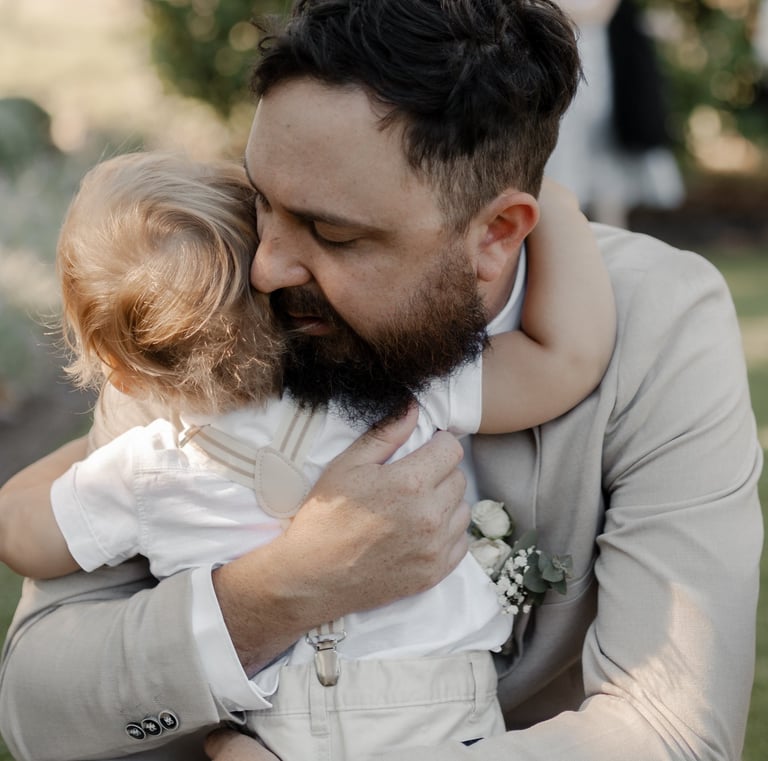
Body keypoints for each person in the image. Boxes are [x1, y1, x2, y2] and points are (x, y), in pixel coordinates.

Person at [0, 1, 762, 760]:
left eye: (333, 233)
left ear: (498, 235)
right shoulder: (208, 310)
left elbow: (669, 731)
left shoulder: (658, 322)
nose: (267, 265)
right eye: (261, 198)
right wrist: (274, 593)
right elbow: (37, 708)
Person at [0, 146, 612, 761]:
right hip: (439, 701)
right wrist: (556, 206)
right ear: (273, 274)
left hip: (281, 725)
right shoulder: (390, 384)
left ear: (121, 374)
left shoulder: (142, 472)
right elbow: (565, 361)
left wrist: (80, 460)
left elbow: (22, 536)